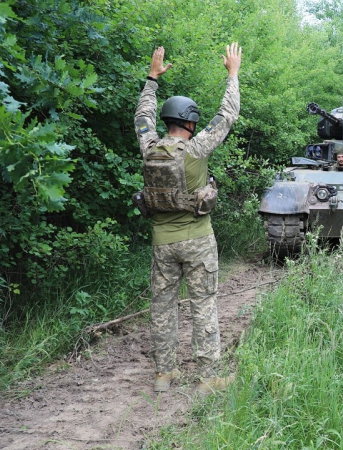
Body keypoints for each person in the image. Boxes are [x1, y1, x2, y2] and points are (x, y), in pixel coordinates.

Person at [134, 43, 241, 394]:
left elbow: (142, 116)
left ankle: (164, 375)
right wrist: (232, 74)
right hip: (197, 240)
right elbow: (227, 115)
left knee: (162, 308)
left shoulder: (149, 146)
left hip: (161, 244)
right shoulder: (196, 148)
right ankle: (209, 378)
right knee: (203, 305)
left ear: (167, 122)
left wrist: (152, 78)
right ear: (192, 122)